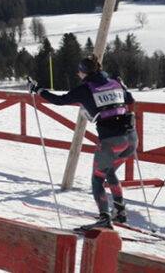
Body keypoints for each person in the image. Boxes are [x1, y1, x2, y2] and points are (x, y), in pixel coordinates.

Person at [32, 54, 137, 230]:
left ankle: (104, 218)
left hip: (111, 140)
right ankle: (119, 211)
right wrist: (124, 88)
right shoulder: (114, 83)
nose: (78, 74)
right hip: (131, 139)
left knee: (97, 179)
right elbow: (130, 99)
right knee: (110, 172)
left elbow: (60, 100)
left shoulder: (86, 88)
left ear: (84, 72)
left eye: (79, 72)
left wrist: (38, 90)